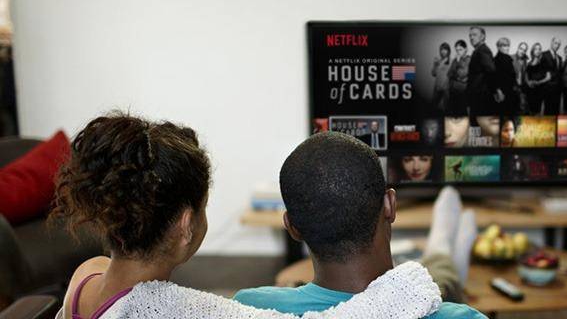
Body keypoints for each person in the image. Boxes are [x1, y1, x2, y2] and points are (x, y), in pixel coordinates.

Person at [51, 114, 443, 319]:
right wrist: (409, 280)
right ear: (186, 225)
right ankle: (442, 249)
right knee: (441, 267)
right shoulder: (180, 310)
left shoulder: (85, 278)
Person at [234, 132, 485, 318]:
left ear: (292, 227)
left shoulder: (246, 307)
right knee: (438, 281)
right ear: (390, 204)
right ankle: (442, 249)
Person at [466, 27, 496, 116]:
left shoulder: (483, 50)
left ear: (482, 36)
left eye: (474, 35)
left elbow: (491, 71)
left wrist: (495, 91)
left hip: (481, 98)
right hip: (476, 97)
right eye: (470, 35)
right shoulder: (478, 50)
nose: (471, 37)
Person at [493, 38, 519, 115]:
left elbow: (512, 75)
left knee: (511, 115)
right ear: (498, 47)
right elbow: (494, 78)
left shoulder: (508, 58)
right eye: (504, 46)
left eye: (508, 45)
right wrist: (498, 91)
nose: (507, 48)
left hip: (511, 91)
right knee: (503, 115)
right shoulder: (495, 60)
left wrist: (515, 86)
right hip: (502, 92)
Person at [525, 43, 551, 115]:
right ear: (533, 51)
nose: (538, 50)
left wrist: (538, 82)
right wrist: (528, 82)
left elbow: (548, 77)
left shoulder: (544, 62)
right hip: (530, 90)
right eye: (536, 49)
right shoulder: (529, 63)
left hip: (539, 91)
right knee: (530, 112)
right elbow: (526, 76)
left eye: (539, 49)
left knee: (537, 112)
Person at [447, 40, 470, 116]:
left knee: (462, 113)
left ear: (466, 49)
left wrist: (458, 63)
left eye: (460, 49)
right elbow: (449, 74)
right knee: (453, 113)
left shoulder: (469, 59)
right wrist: (457, 77)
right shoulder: (455, 60)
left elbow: (462, 74)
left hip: (463, 91)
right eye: (457, 50)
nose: (458, 52)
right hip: (453, 90)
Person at [540, 37, 563, 115]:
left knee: (556, 112)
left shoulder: (559, 58)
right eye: (556, 43)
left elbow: (560, 74)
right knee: (548, 112)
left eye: (559, 44)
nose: (557, 45)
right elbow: (539, 70)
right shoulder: (543, 54)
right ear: (551, 42)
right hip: (548, 89)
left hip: (558, 90)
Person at [431, 43, 452, 112]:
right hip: (437, 87)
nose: (443, 51)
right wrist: (435, 64)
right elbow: (433, 73)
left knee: (447, 108)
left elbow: (452, 75)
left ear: (448, 51)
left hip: (446, 88)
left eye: (445, 49)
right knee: (433, 106)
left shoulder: (451, 61)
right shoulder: (438, 60)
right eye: (441, 49)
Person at [512, 42, 530, 113]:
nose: (522, 51)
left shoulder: (525, 60)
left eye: (524, 50)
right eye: (521, 49)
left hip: (522, 89)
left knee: (523, 110)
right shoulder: (511, 58)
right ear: (518, 48)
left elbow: (525, 74)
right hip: (512, 89)